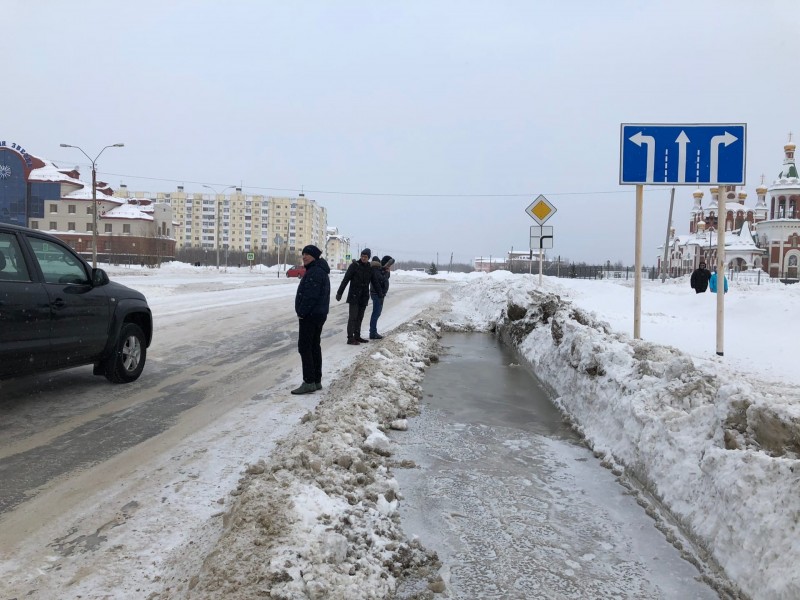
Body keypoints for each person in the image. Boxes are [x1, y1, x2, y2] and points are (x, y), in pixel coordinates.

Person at [291, 245, 331, 394]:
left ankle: (309, 381)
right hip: (317, 314)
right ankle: (316, 380)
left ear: (314, 256)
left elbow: (310, 296)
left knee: (305, 347)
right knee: (314, 346)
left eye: (307, 254)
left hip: (311, 315)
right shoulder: (318, 270)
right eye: (303, 254)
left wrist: (302, 312)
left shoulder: (315, 272)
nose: (304, 257)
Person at [336, 248, 372, 345]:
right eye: (362, 256)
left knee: (360, 317)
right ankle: (350, 338)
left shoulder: (369, 267)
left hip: (364, 297)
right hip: (354, 296)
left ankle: (357, 336)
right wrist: (340, 292)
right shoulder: (354, 266)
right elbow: (346, 279)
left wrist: (380, 292)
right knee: (353, 317)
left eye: (366, 257)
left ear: (369, 257)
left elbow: (374, 282)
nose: (363, 258)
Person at [368, 255, 389, 339]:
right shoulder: (375, 270)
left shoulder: (377, 270)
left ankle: (373, 332)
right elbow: (381, 280)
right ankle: (373, 333)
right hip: (377, 294)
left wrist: (385, 272)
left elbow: (384, 279)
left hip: (378, 294)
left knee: (377, 313)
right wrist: (385, 272)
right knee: (376, 313)